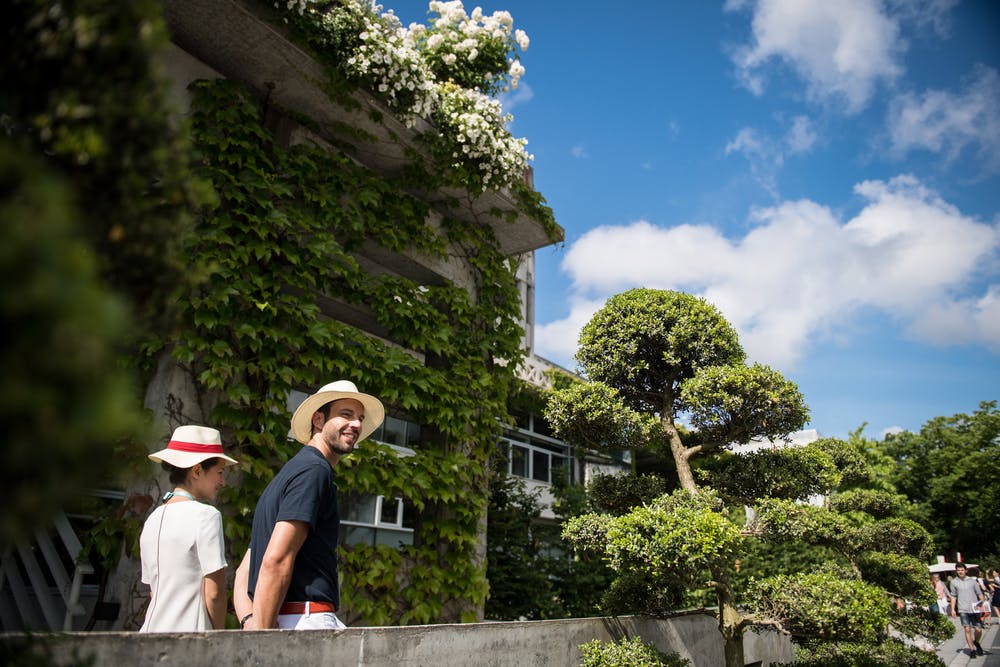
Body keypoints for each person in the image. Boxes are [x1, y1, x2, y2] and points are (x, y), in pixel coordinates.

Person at [240, 380, 384, 631]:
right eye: (345, 414)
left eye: (360, 417)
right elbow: (276, 559)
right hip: (304, 621)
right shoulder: (314, 471)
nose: (357, 424)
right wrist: (260, 640)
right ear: (318, 420)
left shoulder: (287, 475)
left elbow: (245, 570)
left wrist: (249, 621)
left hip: (279, 620)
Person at [139, 425, 238, 632]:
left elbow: (153, 592)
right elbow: (215, 593)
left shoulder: (152, 519)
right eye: (219, 472)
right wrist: (219, 638)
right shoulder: (206, 516)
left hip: (148, 635)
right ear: (197, 470)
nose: (223, 481)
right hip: (190, 638)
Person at [950, 562, 987, 657]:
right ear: (956, 571)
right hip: (963, 609)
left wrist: (982, 602)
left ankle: (976, 642)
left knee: (978, 629)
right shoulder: (954, 582)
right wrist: (953, 609)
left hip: (975, 608)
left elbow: (979, 594)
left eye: (962, 570)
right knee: (967, 629)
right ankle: (972, 650)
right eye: (958, 570)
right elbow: (953, 596)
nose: (960, 572)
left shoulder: (972, 581)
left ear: (965, 570)